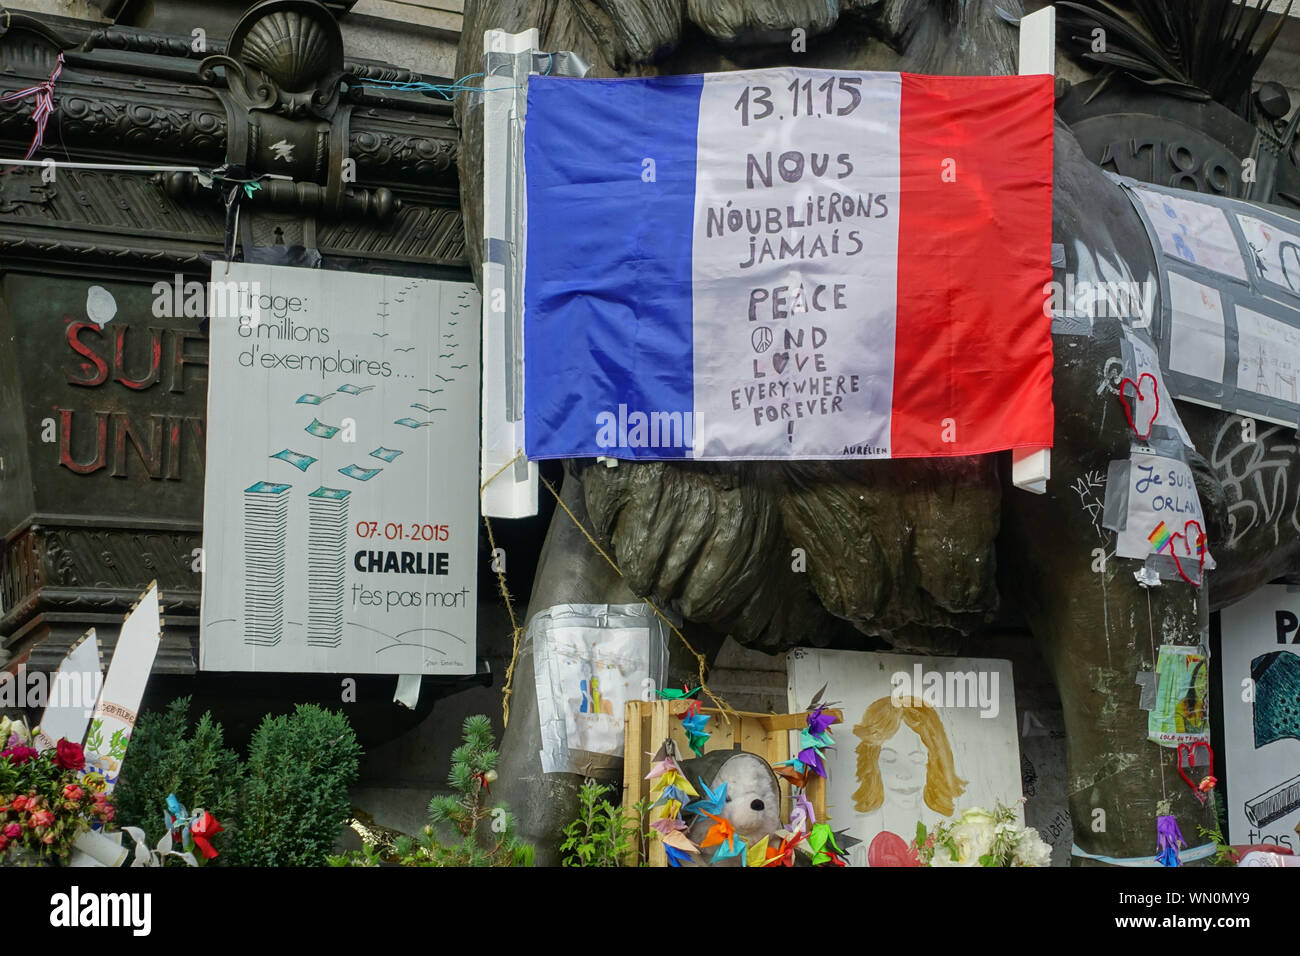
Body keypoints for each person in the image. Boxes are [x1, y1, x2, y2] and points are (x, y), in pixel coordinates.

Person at [853, 695, 967, 866]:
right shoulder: (857, 837)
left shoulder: (953, 832)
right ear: (872, 764)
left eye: (917, 759)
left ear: (934, 763)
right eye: (889, 759)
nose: (904, 774)